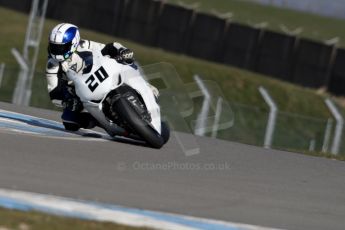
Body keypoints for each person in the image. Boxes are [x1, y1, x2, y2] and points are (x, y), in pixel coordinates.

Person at [46, 23, 157, 131]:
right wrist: (67, 102)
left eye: (61, 47)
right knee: (69, 121)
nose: (57, 51)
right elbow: (54, 93)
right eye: (54, 47)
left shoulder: (84, 45)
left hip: (100, 75)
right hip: (80, 94)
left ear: (73, 42)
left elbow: (108, 48)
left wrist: (122, 51)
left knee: (127, 62)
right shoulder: (52, 65)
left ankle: (144, 87)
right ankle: (101, 121)